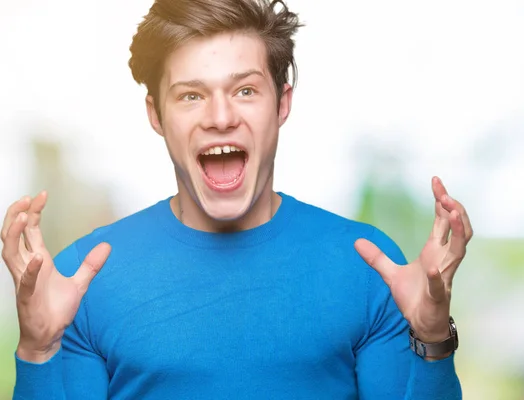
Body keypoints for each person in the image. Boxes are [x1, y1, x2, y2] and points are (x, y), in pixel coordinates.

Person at [2, 0, 473, 398]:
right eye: (191, 96)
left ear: (282, 103)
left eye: (245, 90)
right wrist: (39, 350)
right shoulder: (82, 278)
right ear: (157, 114)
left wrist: (431, 339)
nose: (221, 116)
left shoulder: (370, 267)